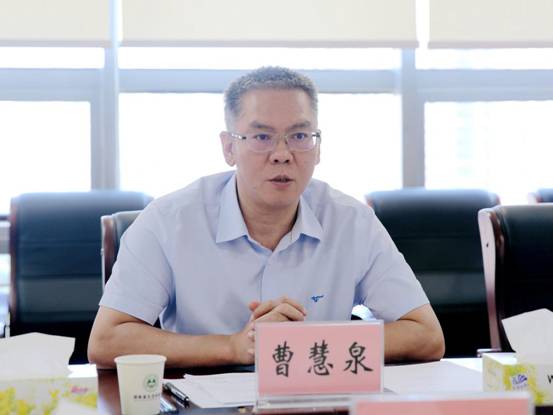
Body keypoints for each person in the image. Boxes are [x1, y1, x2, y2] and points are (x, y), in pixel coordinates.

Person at [88, 66, 444, 368]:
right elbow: (106, 341)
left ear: (318, 147)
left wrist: (309, 345)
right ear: (229, 147)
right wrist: (233, 346)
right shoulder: (168, 222)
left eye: (300, 136)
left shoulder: (352, 222)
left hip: (317, 398)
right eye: (262, 136)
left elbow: (426, 335)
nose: (282, 154)